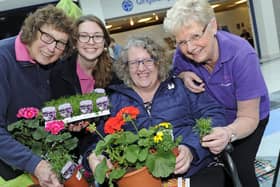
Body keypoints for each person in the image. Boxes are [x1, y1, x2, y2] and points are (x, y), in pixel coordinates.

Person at [85, 36, 227, 187]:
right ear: (126, 67)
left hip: (194, 172)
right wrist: (94, 156)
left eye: (148, 60)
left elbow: (215, 114)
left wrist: (191, 149)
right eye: (134, 63)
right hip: (140, 179)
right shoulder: (114, 101)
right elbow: (97, 141)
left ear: (158, 62)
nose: (141, 68)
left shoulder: (182, 88)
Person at [163, 0, 270, 186]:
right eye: (181, 42)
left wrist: (228, 132)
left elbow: (248, 117)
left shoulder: (242, 55)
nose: (190, 47)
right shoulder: (181, 57)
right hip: (214, 118)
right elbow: (172, 76)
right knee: (216, 170)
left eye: (195, 36)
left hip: (247, 118)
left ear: (212, 26)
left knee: (239, 167)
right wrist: (182, 75)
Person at [0, 5, 74, 187]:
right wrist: (35, 165)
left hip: (42, 167)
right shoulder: (2, 59)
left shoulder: (50, 65)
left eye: (60, 43)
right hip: (9, 174)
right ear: (31, 31)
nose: (51, 48)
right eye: (47, 37)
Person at [50, 15, 120, 155]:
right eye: (84, 36)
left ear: (105, 42)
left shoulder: (116, 73)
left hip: (113, 146)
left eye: (97, 36)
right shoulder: (59, 73)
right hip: (75, 151)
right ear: (75, 41)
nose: (91, 42)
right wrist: (68, 125)